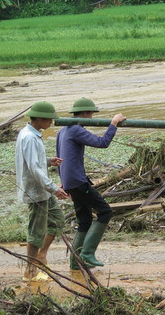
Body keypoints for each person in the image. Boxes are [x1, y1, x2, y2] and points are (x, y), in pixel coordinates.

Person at [56, 98, 126, 269]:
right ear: (85, 114)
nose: (93, 117)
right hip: (79, 183)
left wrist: (63, 182)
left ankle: (75, 263)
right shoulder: (76, 130)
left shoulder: (63, 130)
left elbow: (59, 159)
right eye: (92, 114)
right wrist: (114, 123)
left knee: (85, 221)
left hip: (71, 182)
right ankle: (87, 253)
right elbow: (103, 143)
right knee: (105, 212)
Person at [15, 101, 70, 281]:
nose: (51, 123)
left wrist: (48, 161)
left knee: (56, 220)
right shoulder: (29, 137)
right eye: (49, 120)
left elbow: (35, 162)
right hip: (36, 191)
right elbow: (34, 168)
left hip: (42, 190)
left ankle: (41, 256)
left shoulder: (31, 134)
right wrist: (54, 188)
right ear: (39, 118)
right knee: (36, 230)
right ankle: (29, 271)